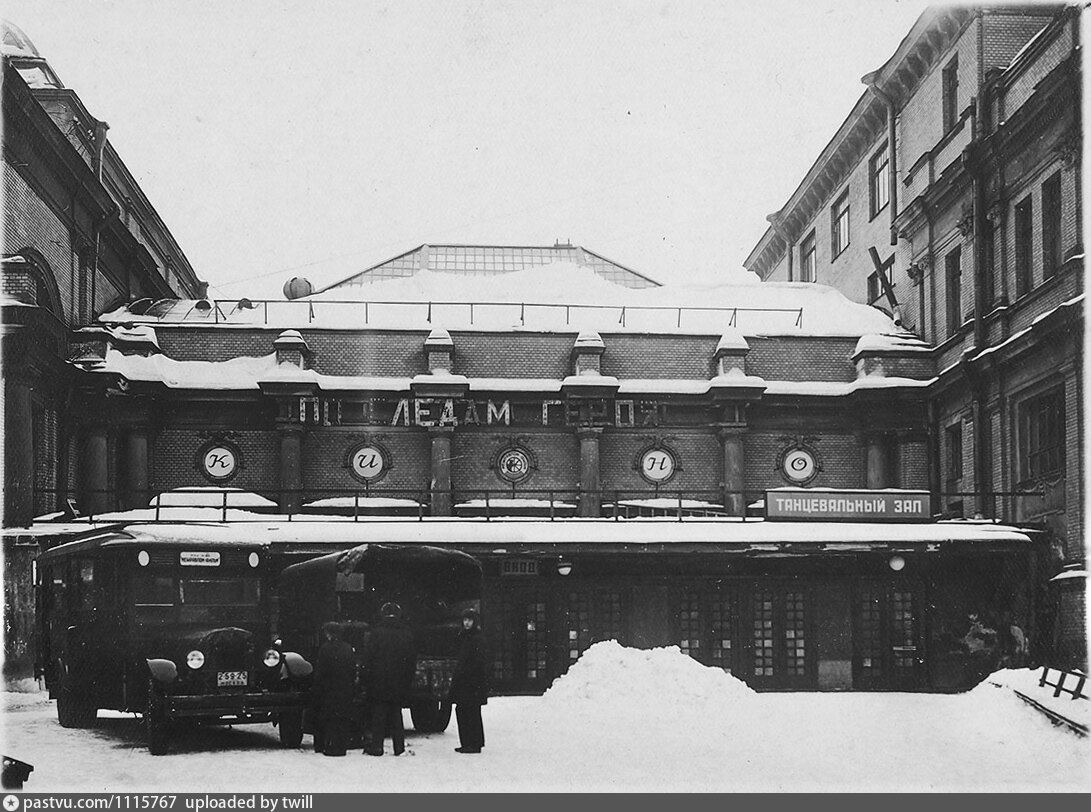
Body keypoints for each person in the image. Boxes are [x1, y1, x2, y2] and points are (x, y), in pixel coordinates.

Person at [362, 601, 416, 756]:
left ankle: (377, 747)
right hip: (398, 683)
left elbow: (369, 658)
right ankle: (399, 748)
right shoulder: (406, 634)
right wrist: (406, 680)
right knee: (396, 716)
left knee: (378, 716)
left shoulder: (376, 633)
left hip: (378, 682)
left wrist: (367, 679)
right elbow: (411, 661)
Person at [311, 621, 356, 757]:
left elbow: (321, 671)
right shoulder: (348, 648)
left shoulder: (325, 648)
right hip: (345, 688)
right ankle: (342, 746)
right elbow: (352, 670)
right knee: (342, 718)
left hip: (329, 689)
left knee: (330, 719)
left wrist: (317, 688)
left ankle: (330, 746)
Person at [448, 607, 488, 754]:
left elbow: (478, 661)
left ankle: (474, 743)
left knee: (471, 712)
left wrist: (465, 673)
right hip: (465, 682)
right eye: (465, 620)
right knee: (463, 711)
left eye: (469, 620)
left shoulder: (477, 638)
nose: (466, 623)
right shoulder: (464, 637)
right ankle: (467, 743)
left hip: (472, 683)